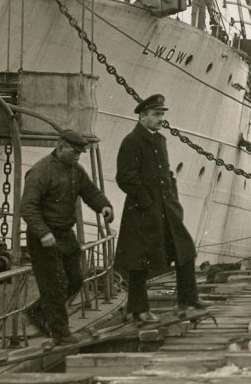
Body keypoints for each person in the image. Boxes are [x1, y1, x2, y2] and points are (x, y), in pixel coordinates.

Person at [113, 95, 206, 324]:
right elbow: (125, 178)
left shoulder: (160, 140)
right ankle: (139, 309)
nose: (160, 119)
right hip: (143, 212)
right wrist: (146, 202)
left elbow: (166, 174)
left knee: (186, 250)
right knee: (140, 262)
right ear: (142, 116)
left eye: (162, 114)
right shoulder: (132, 141)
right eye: (156, 114)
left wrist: (173, 198)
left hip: (166, 209)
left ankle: (188, 299)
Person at [21, 130, 115, 344]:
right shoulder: (41, 172)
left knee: (76, 279)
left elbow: (90, 191)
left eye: (79, 154)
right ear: (60, 147)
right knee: (55, 284)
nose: (77, 157)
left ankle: (38, 311)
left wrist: (104, 206)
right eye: (74, 153)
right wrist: (43, 233)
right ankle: (61, 333)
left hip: (65, 234)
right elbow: (27, 207)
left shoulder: (75, 170)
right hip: (44, 237)